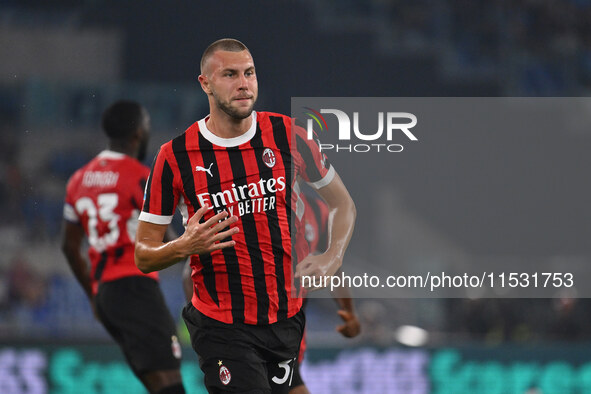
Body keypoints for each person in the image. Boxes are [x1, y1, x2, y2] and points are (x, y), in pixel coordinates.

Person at [135, 38, 356, 393]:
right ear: (205, 83)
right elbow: (143, 255)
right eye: (230, 74)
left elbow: (342, 203)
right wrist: (183, 245)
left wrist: (333, 256)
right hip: (221, 326)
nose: (244, 83)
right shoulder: (175, 156)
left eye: (249, 73)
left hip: (285, 321)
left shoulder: (288, 134)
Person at [61, 100, 186, 394]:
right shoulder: (141, 177)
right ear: (138, 133)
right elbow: (167, 238)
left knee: (158, 384)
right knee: (170, 381)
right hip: (135, 286)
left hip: (105, 293)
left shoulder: (78, 180)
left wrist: (92, 295)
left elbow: (69, 247)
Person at [289, 192, 361, 394]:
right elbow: (190, 274)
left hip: (293, 327)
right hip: (254, 323)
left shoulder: (318, 212)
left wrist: (350, 314)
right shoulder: (256, 206)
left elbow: (334, 269)